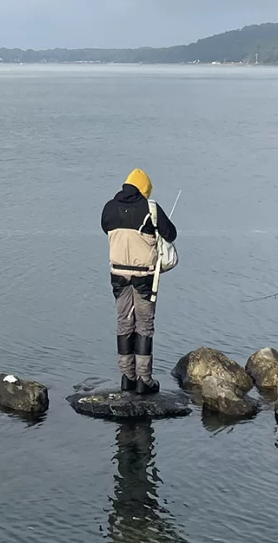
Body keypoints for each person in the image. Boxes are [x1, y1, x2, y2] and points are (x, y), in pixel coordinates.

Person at [101, 169, 177, 395]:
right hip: (145, 276)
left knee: (124, 323)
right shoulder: (150, 208)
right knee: (144, 325)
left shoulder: (109, 207)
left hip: (118, 274)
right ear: (144, 189)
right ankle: (144, 379)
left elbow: (105, 228)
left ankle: (127, 377)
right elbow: (170, 234)